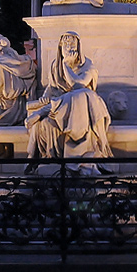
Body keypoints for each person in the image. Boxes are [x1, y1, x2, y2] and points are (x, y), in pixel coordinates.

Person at [26, 32, 112, 175]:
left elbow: (77, 85)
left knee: (81, 94)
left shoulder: (87, 65)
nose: (69, 48)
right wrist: (45, 96)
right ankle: (52, 161)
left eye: (72, 44)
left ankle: (42, 112)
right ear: (60, 47)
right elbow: (52, 87)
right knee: (45, 125)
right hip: (61, 110)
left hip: (83, 109)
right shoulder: (56, 66)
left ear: (79, 47)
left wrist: (66, 64)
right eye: (65, 44)